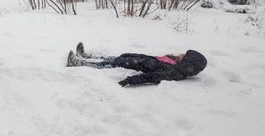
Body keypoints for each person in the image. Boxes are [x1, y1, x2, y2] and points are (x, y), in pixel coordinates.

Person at [66, 42, 207, 86]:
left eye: (184, 57)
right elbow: (151, 58)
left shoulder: (173, 73)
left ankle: (80, 64)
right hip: (134, 59)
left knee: (107, 64)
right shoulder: (173, 62)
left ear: (188, 64)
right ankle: (86, 57)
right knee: (111, 58)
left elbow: (151, 77)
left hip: (132, 64)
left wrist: (130, 80)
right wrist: (131, 55)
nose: (181, 55)